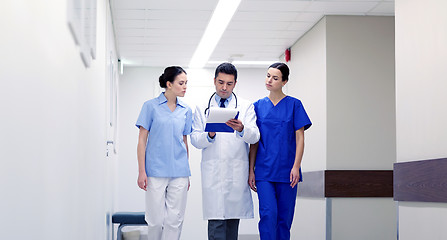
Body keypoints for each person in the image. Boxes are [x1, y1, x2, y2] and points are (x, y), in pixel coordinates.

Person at [191, 62, 260, 240]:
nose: (224, 87)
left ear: (235, 83)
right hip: (213, 175)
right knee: (216, 226)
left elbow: (255, 137)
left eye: (229, 84)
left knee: (231, 228)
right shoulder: (201, 107)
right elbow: (195, 139)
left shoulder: (245, 106)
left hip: (235, 174)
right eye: (221, 82)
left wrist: (242, 129)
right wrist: (210, 134)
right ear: (214, 81)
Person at [248, 62, 312, 240]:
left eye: (275, 78)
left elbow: (300, 138)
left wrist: (296, 166)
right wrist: (251, 170)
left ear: (284, 82)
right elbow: (254, 141)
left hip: (287, 172)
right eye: (268, 76)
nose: (269, 80)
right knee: (268, 215)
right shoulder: (257, 106)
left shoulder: (294, 105)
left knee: (284, 219)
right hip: (264, 172)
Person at [136, 66, 192, 240]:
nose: (185, 87)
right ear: (169, 84)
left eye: (186, 83)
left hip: (180, 172)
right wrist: (142, 171)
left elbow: (184, 141)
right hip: (155, 170)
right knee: (155, 220)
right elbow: (142, 141)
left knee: (174, 220)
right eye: (181, 83)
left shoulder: (186, 110)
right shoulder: (150, 107)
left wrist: (187, 172)